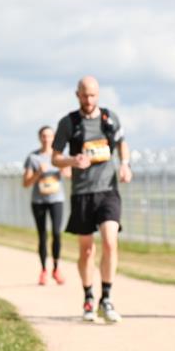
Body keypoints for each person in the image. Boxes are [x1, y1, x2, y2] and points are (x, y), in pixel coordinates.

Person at [51, 76, 132, 323]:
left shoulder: (110, 118)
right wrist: (72, 161)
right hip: (82, 192)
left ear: (99, 95)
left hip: (107, 190)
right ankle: (88, 297)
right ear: (77, 95)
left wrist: (125, 165)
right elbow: (55, 157)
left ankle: (106, 298)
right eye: (84, 95)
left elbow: (121, 144)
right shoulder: (69, 123)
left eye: (93, 95)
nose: (89, 100)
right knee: (87, 251)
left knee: (110, 241)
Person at [23, 125, 69, 285]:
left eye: (49, 136)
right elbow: (26, 183)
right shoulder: (33, 158)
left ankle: (56, 268)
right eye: (44, 136)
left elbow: (69, 174)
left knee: (56, 233)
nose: (46, 139)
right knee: (42, 236)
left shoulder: (59, 156)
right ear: (39, 137)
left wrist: (63, 170)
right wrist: (38, 173)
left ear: (54, 137)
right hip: (39, 201)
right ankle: (43, 270)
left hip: (56, 200)